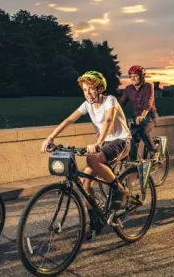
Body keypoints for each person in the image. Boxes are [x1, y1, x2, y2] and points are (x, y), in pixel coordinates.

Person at [41, 71, 131, 239]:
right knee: (85, 183)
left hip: (120, 141)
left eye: (91, 89)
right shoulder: (87, 105)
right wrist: (50, 137)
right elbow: (69, 120)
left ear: (100, 89)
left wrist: (98, 143)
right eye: (84, 90)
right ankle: (96, 222)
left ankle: (120, 190)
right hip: (104, 144)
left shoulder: (110, 100)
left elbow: (108, 121)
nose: (88, 93)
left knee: (91, 159)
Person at [119, 65, 158, 160]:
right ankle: (133, 165)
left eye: (135, 76)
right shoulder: (128, 89)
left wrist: (143, 115)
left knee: (142, 131)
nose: (132, 78)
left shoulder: (148, 86)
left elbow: (148, 101)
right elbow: (120, 104)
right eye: (130, 76)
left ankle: (154, 151)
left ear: (142, 76)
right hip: (136, 118)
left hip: (150, 116)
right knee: (132, 139)